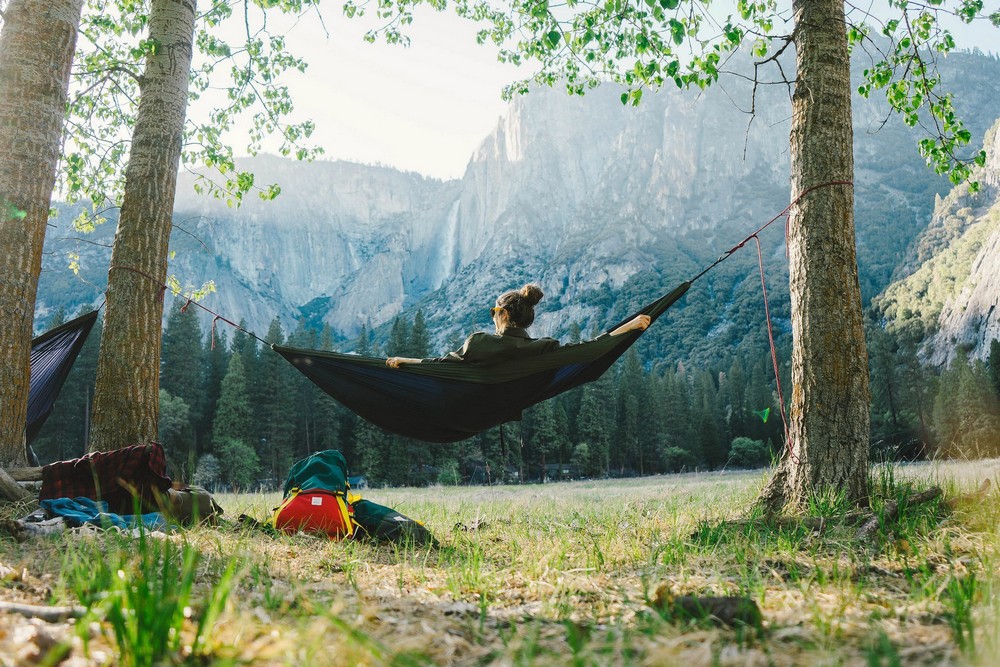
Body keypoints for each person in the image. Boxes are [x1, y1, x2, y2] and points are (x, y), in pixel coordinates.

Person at [385, 284, 651, 368]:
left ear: (502, 314)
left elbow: (440, 365)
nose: (491, 316)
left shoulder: (479, 343)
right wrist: (629, 326)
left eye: (493, 311)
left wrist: (402, 360)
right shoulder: (544, 348)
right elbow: (590, 348)